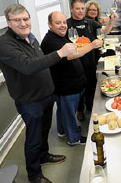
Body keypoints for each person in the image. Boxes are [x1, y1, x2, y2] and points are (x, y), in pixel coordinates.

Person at [0, 4, 76, 183]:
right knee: (33, 139)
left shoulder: (30, 38)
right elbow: (27, 66)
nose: (23, 23)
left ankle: (44, 155)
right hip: (30, 101)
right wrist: (60, 53)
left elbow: (40, 62)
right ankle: (34, 175)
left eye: (26, 19)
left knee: (44, 130)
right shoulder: (4, 44)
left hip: (46, 95)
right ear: (9, 23)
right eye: (17, 20)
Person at [41, 11, 102, 146]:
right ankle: (73, 138)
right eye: (58, 23)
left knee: (64, 111)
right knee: (69, 113)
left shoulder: (61, 36)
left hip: (74, 83)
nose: (63, 25)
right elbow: (70, 55)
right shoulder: (50, 41)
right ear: (50, 24)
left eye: (64, 22)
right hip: (65, 86)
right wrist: (91, 45)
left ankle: (62, 131)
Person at [67, 0, 116, 121]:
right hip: (75, 64)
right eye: (77, 8)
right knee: (79, 90)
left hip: (90, 62)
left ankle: (90, 106)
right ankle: (79, 110)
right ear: (72, 9)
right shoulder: (67, 24)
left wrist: (112, 21)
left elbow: (104, 31)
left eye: (82, 8)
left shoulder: (90, 23)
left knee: (91, 87)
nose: (80, 11)